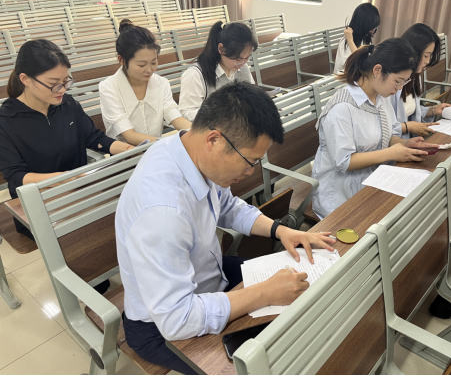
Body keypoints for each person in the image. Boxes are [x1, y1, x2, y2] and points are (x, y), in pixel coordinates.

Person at [116, 81, 336, 373]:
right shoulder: (161, 212)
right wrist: (264, 293)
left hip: (209, 275)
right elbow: (177, 320)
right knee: (268, 359)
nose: (250, 172)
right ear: (214, 140)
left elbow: (228, 206)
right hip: (160, 327)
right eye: (249, 161)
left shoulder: (185, 148)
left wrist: (281, 231)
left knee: (303, 294)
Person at [0, 40, 130, 293]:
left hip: (81, 190)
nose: (62, 89)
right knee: (90, 249)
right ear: (25, 79)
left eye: (66, 81)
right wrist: (63, 179)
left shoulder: (67, 104)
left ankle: (106, 268)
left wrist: (125, 149)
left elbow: (94, 138)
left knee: (119, 213)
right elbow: (15, 176)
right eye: (54, 84)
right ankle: (91, 276)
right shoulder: (7, 121)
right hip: (39, 203)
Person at [312, 39, 440, 219]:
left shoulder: (381, 96)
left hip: (374, 180)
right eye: (398, 81)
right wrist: (391, 153)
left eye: (404, 82)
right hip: (341, 198)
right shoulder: (341, 109)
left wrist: (405, 144)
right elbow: (344, 162)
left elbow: (386, 135)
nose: (399, 89)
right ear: (377, 70)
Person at [99, 19, 191, 145]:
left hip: (157, 149)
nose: (149, 70)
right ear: (121, 60)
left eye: (153, 62)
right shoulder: (109, 88)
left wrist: (197, 133)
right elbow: (130, 136)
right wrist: (167, 143)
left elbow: (176, 118)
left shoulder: (161, 83)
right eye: (141, 65)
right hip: (127, 154)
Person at [179, 21, 257, 122]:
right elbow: (187, 113)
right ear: (221, 49)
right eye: (237, 59)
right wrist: (221, 113)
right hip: (210, 127)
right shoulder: (195, 74)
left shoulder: (242, 66)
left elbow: (252, 95)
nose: (242, 63)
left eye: (247, 58)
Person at [391, 23, 451, 139]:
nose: (428, 61)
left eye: (430, 56)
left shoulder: (415, 77)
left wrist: (433, 110)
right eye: (425, 56)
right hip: (394, 144)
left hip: (407, 141)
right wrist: (408, 127)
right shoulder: (390, 82)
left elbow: (411, 112)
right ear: (413, 52)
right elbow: (380, 129)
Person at [334, 3, 380, 74]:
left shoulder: (364, 38)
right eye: (371, 27)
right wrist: (350, 41)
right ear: (363, 25)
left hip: (358, 76)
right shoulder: (346, 43)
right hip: (346, 77)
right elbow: (357, 65)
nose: (373, 30)